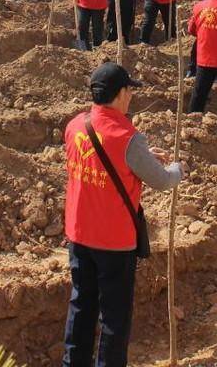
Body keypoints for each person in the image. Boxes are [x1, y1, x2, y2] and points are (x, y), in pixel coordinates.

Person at [62, 62, 182, 367]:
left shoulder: (76, 125)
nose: (131, 96)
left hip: (78, 233)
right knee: (114, 316)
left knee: (81, 305)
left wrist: (144, 158)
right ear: (119, 94)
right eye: (129, 90)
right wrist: (176, 170)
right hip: (114, 242)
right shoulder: (127, 136)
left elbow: (100, 161)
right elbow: (162, 180)